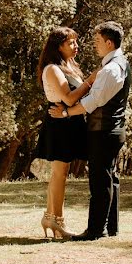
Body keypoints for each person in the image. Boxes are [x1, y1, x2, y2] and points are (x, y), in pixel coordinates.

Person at [49, 21, 131, 241]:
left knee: (100, 182)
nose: (94, 45)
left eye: (97, 41)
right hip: (111, 129)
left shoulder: (111, 69)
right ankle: (110, 228)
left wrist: (65, 114)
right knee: (110, 179)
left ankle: (95, 231)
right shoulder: (120, 63)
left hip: (103, 130)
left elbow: (93, 102)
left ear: (109, 42)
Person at [35, 27, 95, 239]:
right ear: (58, 46)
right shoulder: (52, 69)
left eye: (75, 42)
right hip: (60, 122)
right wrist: (92, 79)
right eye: (70, 43)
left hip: (70, 121)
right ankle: (58, 222)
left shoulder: (69, 66)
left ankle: (50, 217)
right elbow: (69, 98)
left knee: (60, 173)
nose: (76, 46)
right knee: (60, 173)